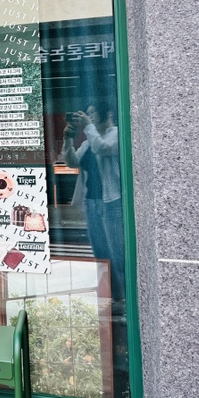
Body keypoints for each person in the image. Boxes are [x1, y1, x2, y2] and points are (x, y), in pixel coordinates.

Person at [63, 102, 125, 303]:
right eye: (87, 113)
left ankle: (127, 297)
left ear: (108, 114)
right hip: (91, 202)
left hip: (113, 202)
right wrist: (67, 139)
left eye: (93, 112)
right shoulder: (89, 141)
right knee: (100, 252)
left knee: (117, 251)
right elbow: (72, 162)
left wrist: (88, 125)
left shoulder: (117, 134)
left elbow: (102, 148)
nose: (89, 116)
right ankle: (113, 297)